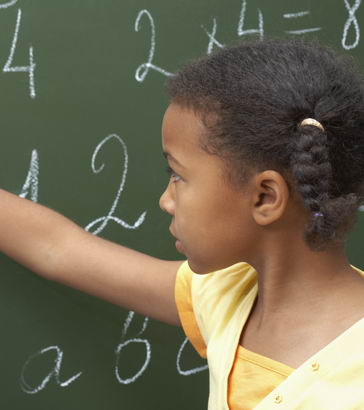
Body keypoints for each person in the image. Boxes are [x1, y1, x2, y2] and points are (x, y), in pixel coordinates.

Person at [2, 37, 364, 409]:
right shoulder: (227, 296)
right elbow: (57, 248)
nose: (165, 200)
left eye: (176, 175)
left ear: (265, 197)